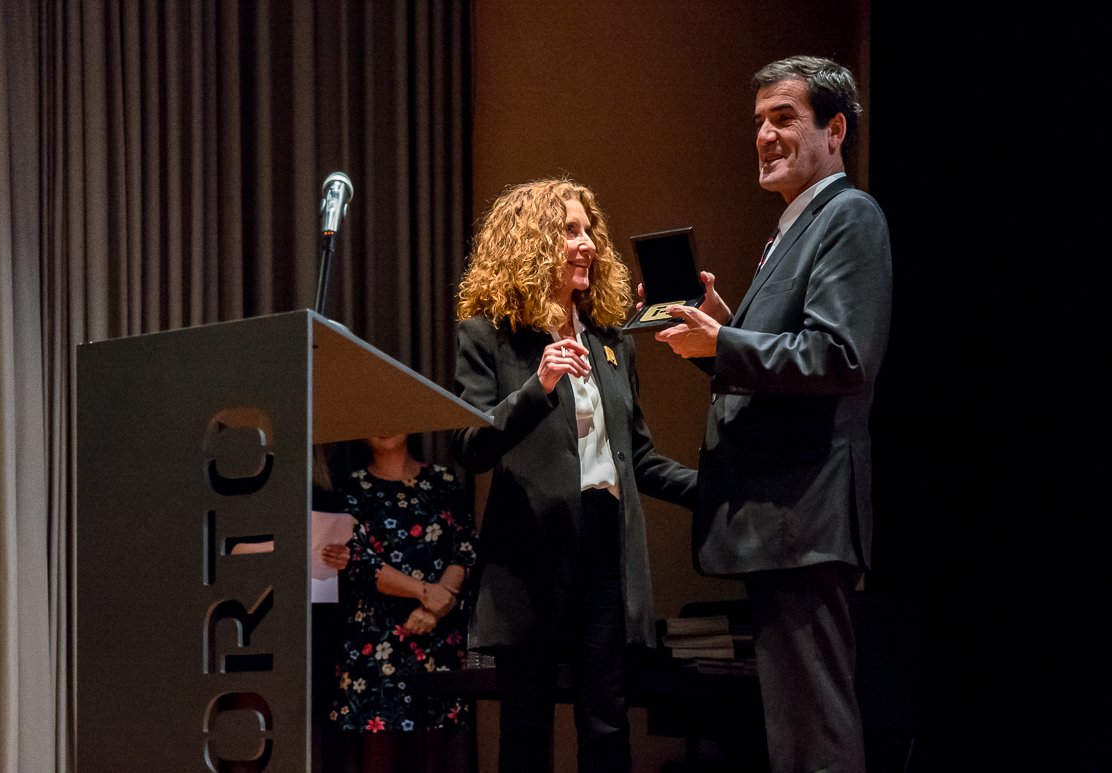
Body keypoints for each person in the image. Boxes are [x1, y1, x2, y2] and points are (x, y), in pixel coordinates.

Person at [648, 56, 892, 773]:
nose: (764, 136)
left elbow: (841, 355)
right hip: (783, 523)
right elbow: (781, 362)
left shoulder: (848, 214)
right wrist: (719, 334)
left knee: (815, 737)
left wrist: (725, 343)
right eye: (758, 122)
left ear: (835, 130)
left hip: (804, 517)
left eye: (784, 118)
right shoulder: (790, 229)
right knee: (794, 735)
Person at [452, 177, 697, 773]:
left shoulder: (613, 342)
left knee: (607, 721)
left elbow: (638, 459)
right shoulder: (488, 335)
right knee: (526, 725)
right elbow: (470, 445)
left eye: (589, 231)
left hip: (604, 545)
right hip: (530, 550)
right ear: (531, 242)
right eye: (569, 231)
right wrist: (538, 386)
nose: (587, 244)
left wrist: (716, 489)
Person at [323, 433, 477, 773]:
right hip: (375, 642)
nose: (385, 427)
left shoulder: (443, 480)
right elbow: (355, 560)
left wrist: (436, 605)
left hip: (437, 638)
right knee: (378, 760)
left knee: (437, 760)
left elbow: (465, 549)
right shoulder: (352, 487)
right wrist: (426, 593)